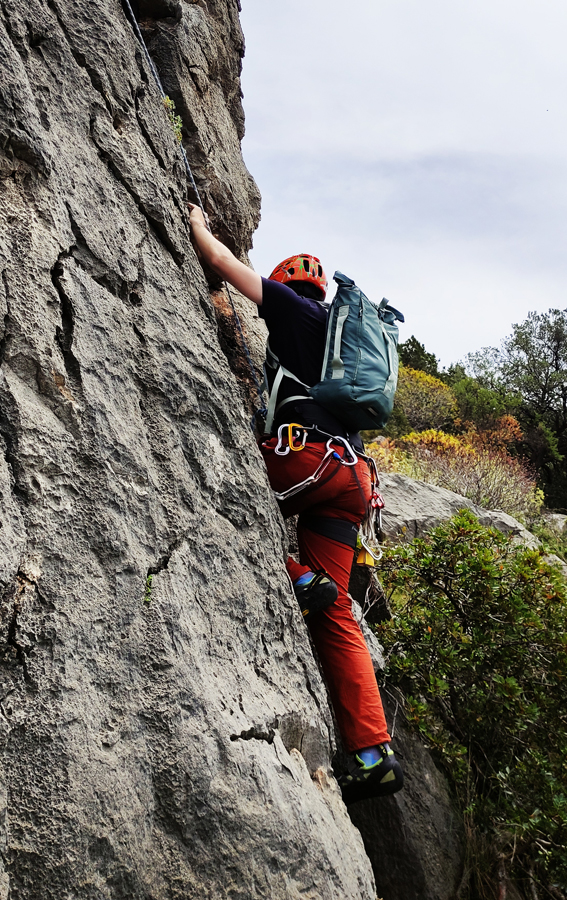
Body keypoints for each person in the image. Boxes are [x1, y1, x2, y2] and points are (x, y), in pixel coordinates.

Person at [187, 204, 404, 803]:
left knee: (224, 505)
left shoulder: (289, 306)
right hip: (354, 481)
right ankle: (372, 754)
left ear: (286, 283)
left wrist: (198, 222)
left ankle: (299, 574)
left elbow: (219, 260)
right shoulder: (340, 345)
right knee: (338, 616)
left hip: (307, 461)